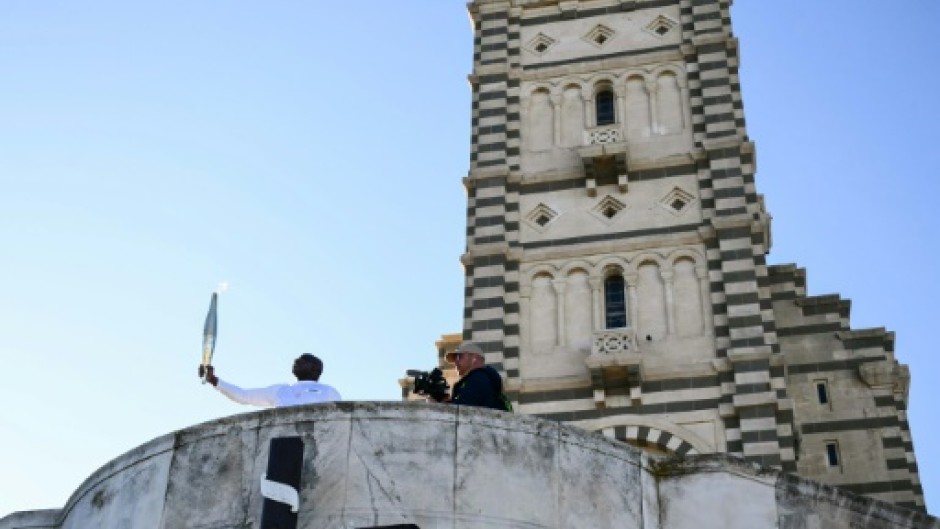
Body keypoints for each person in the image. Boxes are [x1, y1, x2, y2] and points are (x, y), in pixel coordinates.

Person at [198, 353, 341, 408]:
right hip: (282, 446)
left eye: (304, 360)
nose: (297, 361)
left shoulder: (329, 392)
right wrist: (214, 380)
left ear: (316, 369)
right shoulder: (281, 390)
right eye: (297, 359)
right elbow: (243, 396)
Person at [440, 341, 507, 411]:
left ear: (474, 359)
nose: (456, 362)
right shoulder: (486, 379)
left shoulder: (478, 378)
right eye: (455, 359)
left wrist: (438, 405)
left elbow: (462, 409)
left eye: (459, 357)